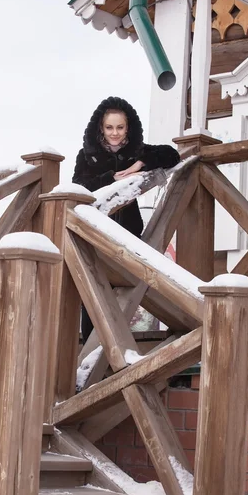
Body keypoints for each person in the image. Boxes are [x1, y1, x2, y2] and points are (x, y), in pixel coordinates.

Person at [72, 96, 180, 342]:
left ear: (127, 127)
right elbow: (79, 186)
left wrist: (140, 164)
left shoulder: (136, 151)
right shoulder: (87, 156)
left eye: (120, 127)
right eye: (110, 127)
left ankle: (116, 347)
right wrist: (112, 178)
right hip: (97, 232)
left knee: (126, 291)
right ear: (101, 127)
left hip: (128, 233)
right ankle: (92, 349)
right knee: (95, 291)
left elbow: (171, 155)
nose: (115, 133)